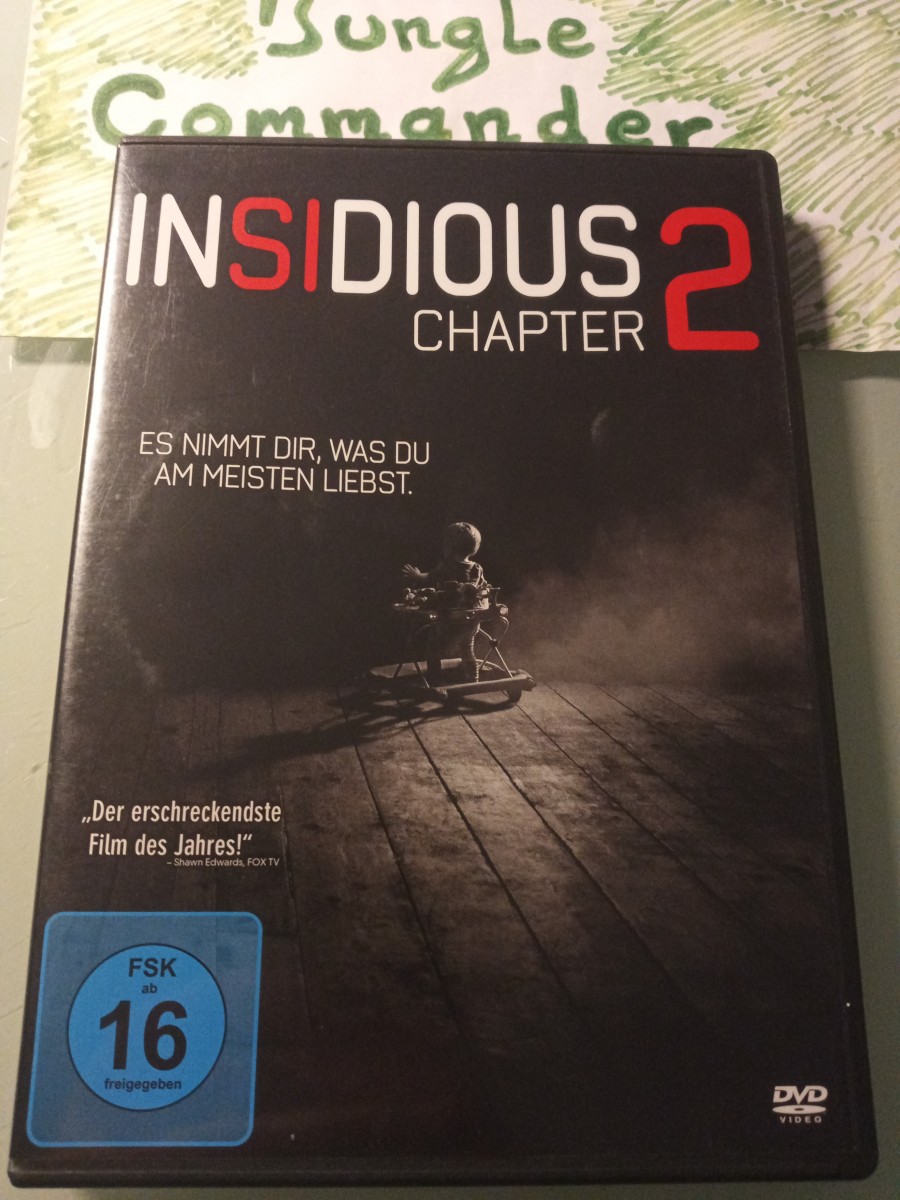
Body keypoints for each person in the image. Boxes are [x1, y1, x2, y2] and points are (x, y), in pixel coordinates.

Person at [403, 522, 488, 682]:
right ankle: (473, 677)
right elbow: (482, 588)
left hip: (449, 620)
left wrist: (417, 575)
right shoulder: (477, 568)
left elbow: (430, 577)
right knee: (467, 647)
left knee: (434, 646)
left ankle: (435, 678)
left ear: (449, 547)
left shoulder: (446, 566)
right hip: (471, 619)